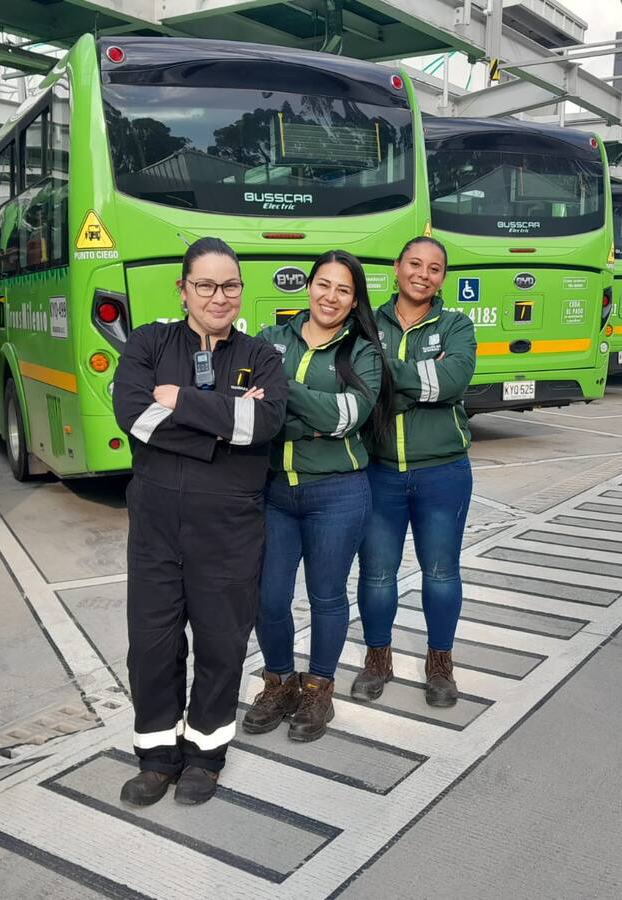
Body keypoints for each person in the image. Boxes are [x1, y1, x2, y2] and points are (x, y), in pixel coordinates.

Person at [111, 237, 287, 806]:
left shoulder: (263, 356)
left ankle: (205, 757)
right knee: (152, 645)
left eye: (230, 285)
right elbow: (134, 415)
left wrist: (181, 401)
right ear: (183, 290)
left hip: (229, 528)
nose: (219, 296)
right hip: (156, 527)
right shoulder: (148, 343)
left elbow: (263, 425)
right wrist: (223, 428)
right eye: (205, 285)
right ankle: (156, 757)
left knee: (220, 645)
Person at [243, 251, 393, 742]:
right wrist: (307, 418)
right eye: (323, 285)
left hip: (338, 493)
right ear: (308, 287)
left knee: (326, 596)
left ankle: (317, 691)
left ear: (354, 300)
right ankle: (280, 684)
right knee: (268, 597)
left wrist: (283, 392)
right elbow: (252, 413)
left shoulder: (363, 352)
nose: (331, 297)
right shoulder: (270, 338)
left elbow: (346, 417)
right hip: (274, 492)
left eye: (343, 290)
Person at [352, 235, 476, 708]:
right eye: (415, 264)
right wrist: (423, 378)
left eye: (434, 268)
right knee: (376, 574)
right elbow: (359, 384)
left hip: (443, 473)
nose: (423, 274)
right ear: (397, 267)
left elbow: (454, 380)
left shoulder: (457, 324)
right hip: (378, 472)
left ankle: (440, 664)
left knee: (441, 573)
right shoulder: (366, 323)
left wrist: (388, 375)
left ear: (443, 278)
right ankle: (377, 659)